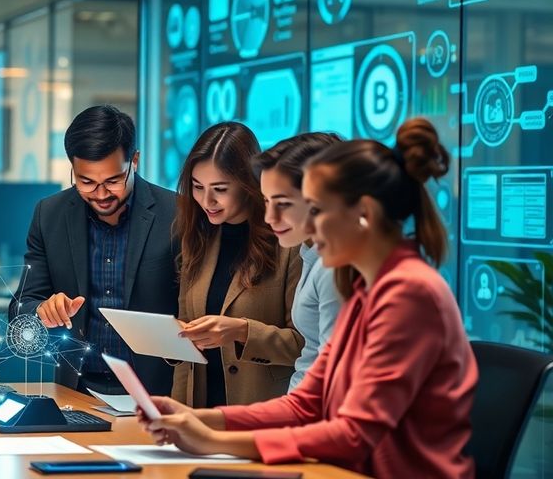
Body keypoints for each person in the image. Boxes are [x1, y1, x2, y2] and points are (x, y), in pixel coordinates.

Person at [138, 118, 477, 477]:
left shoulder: (409, 292)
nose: (293, 224)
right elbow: (307, 402)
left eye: (311, 209)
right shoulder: (364, 288)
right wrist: (197, 419)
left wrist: (212, 439)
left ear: (363, 214)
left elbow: (355, 433)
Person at [9, 105, 179, 395]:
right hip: (78, 390)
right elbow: (20, 309)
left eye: (113, 181)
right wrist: (42, 310)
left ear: (134, 161)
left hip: (158, 392)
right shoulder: (49, 215)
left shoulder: (177, 214)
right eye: (86, 181)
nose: (100, 194)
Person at [171, 122, 302, 407]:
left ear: (247, 184)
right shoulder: (199, 236)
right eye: (197, 186)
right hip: (201, 413)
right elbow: (185, 356)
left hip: (261, 412)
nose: (207, 201)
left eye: (220, 189)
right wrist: (177, 417)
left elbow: (305, 345)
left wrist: (242, 331)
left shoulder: (287, 242)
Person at [253, 132, 343, 392]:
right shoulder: (311, 253)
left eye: (283, 204)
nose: (269, 217)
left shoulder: (334, 269)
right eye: (266, 202)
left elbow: (331, 383)